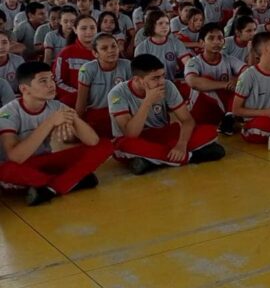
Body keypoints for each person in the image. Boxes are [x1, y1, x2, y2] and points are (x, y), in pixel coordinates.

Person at [0, 62, 112, 205]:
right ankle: (72, 181)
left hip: (45, 160)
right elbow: (16, 157)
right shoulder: (7, 114)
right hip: (20, 167)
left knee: (105, 145)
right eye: (43, 81)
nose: (51, 84)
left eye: (52, 79)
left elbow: (92, 141)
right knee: (5, 170)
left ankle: (51, 188)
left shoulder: (56, 106)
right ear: (24, 89)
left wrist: (73, 118)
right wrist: (50, 122)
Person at [109, 54, 224, 174]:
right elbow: (131, 134)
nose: (161, 81)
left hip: (162, 133)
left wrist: (181, 145)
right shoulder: (117, 93)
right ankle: (192, 157)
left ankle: (150, 161)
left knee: (210, 131)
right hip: (136, 139)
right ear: (138, 80)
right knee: (127, 146)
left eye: (163, 76)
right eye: (155, 78)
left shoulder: (167, 86)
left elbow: (187, 120)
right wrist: (148, 102)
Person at [184, 23, 245, 133]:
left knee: (241, 81)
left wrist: (236, 80)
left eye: (220, 38)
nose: (217, 42)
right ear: (202, 43)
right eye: (211, 38)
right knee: (206, 79)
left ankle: (229, 119)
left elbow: (249, 72)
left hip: (222, 111)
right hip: (201, 111)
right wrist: (225, 84)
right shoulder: (193, 62)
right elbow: (193, 82)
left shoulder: (229, 59)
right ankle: (230, 118)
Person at [76, 33, 132, 138]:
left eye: (114, 46)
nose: (111, 50)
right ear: (95, 53)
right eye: (104, 48)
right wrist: (79, 126)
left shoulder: (127, 65)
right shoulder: (87, 69)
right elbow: (81, 103)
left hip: (121, 113)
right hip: (96, 116)